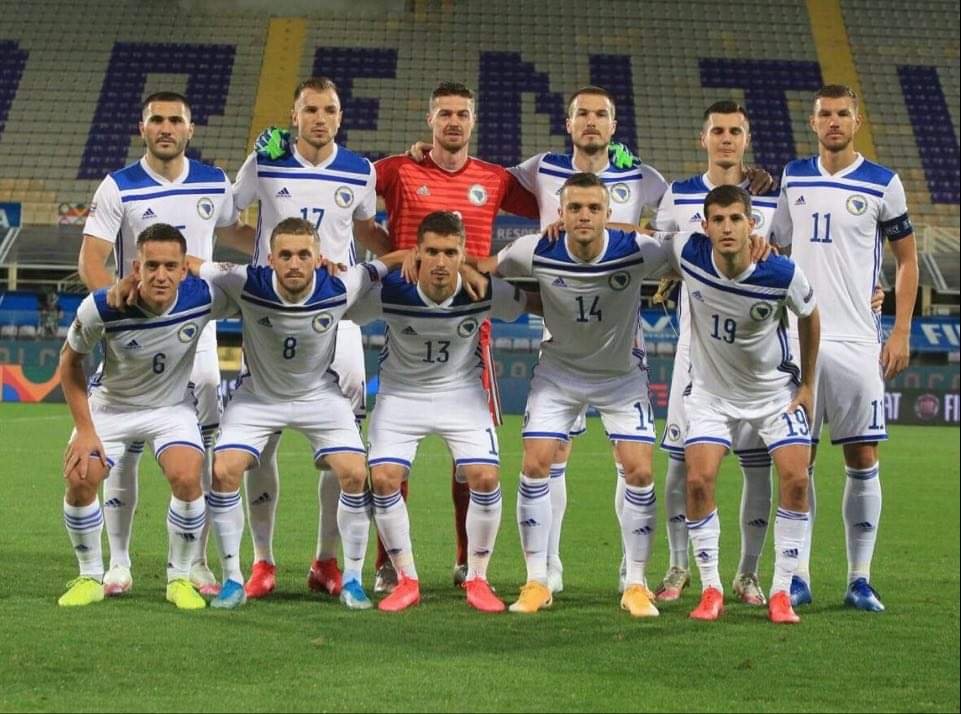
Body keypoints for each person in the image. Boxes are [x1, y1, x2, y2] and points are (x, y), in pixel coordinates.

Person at [371, 81, 540, 591]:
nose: (452, 122)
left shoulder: (493, 178)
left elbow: (553, 203)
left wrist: (492, 263)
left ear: (473, 121)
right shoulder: (399, 170)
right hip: (406, 320)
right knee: (393, 459)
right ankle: (387, 563)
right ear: (430, 119)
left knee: (469, 463)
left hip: (471, 328)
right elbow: (344, 196)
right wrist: (389, 253)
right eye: (444, 113)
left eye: (461, 114)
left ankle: (468, 561)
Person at [192, 217, 407, 610]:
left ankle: (353, 579)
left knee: (355, 473)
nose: (295, 263)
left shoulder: (340, 285)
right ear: (270, 258)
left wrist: (416, 255)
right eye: (286, 255)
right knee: (223, 470)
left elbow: (384, 263)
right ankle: (233, 579)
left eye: (304, 255)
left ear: (319, 258)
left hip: (319, 396)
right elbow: (192, 264)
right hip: (259, 397)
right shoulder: (246, 281)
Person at [78, 91, 245, 597]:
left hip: (196, 330)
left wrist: (287, 253)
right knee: (124, 448)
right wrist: (115, 312)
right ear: (143, 128)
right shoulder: (119, 186)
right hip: (137, 331)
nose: (166, 128)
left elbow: (237, 234)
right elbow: (91, 260)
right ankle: (119, 563)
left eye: (176, 120)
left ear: (190, 129)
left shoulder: (214, 181)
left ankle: (196, 563)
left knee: (205, 448)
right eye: (157, 120)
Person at [232, 76, 392, 600]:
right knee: (261, 443)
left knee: (342, 447)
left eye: (329, 110)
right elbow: (228, 216)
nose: (320, 118)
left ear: (340, 117)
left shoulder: (360, 170)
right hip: (270, 316)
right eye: (310, 109)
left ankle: (327, 559)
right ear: (294, 115)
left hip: (336, 318)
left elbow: (365, 231)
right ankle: (262, 561)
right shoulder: (266, 162)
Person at [482, 172, 669, 617]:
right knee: (535, 464)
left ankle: (636, 584)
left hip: (620, 376)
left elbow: (692, 254)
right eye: (575, 208)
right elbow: (484, 269)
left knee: (640, 471)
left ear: (608, 214)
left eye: (593, 208)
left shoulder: (638, 250)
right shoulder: (534, 249)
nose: (584, 216)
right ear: (560, 214)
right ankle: (537, 580)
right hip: (559, 374)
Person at [771, 84, 918, 611]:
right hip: (798, 338)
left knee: (863, 456)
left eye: (842, 114)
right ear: (812, 123)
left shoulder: (883, 182)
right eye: (825, 114)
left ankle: (859, 579)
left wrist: (900, 330)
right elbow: (777, 246)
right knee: (797, 462)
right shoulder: (793, 176)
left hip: (857, 340)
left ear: (857, 121)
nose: (833, 122)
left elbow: (907, 259)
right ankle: (797, 576)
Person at [346, 211, 532, 612]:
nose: (441, 261)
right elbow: (345, 306)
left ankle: (478, 578)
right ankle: (406, 579)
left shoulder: (483, 291)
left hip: (461, 395)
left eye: (450, 252)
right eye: (431, 252)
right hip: (401, 396)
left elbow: (533, 302)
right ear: (417, 253)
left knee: (485, 476)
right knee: (384, 479)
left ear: (463, 254)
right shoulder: (392, 291)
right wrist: (388, 263)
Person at [663, 185, 819, 624]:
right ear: (706, 226)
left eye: (736, 219)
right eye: (718, 219)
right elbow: (640, 237)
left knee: (797, 480)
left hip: (773, 396)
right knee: (697, 481)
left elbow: (810, 315)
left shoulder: (781, 272)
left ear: (752, 224)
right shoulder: (689, 254)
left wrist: (808, 384)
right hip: (712, 395)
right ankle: (711, 588)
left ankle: (781, 591)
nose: (727, 227)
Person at [58, 223, 235, 609]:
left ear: (184, 269)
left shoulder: (203, 297)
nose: (161, 275)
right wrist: (85, 430)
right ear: (136, 268)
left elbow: (258, 289)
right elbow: (69, 363)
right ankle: (90, 575)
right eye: (152, 265)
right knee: (80, 476)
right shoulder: (104, 305)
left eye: (171, 266)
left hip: (170, 408)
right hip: (112, 406)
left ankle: (179, 578)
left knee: (187, 476)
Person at [648, 100, 781, 605]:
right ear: (702, 138)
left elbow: (794, 260)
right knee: (681, 464)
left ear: (747, 139)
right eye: (718, 130)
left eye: (735, 131)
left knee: (756, 463)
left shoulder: (771, 197)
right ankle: (678, 565)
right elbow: (659, 250)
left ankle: (747, 573)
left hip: (758, 355)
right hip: (697, 351)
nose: (726, 139)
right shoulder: (678, 195)